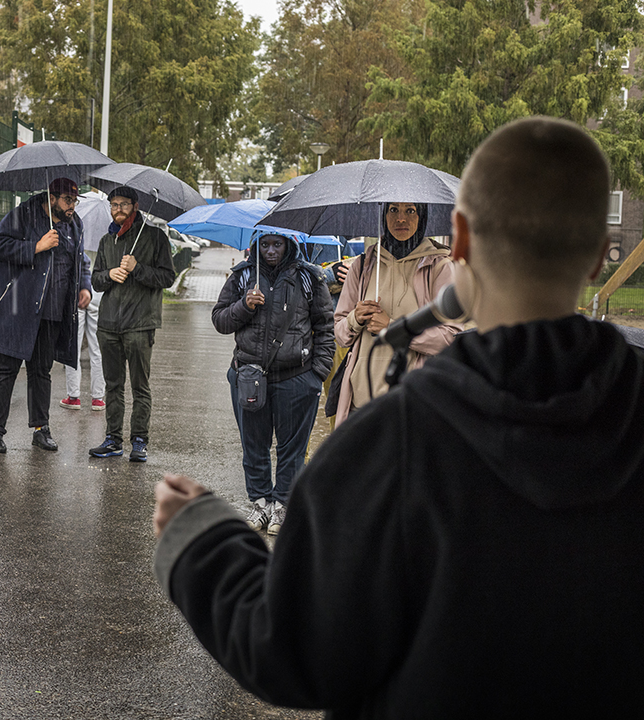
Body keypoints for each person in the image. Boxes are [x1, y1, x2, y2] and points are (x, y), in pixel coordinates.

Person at [151, 116, 644, 717]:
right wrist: (351, 325)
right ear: (599, 256)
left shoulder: (393, 441)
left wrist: (201, 540)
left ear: (457, 237)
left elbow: (296, 647)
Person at [211, 231, 333, 533]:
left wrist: (317, 373)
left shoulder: (309, 278)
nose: (270, 251)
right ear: (255, 246)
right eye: (264, 244)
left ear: (288, 244)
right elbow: (220, 320)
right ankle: (261, 502)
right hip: (249, 377)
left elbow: (325, 325)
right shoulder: (241, 276)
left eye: (276, 244)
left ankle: (282, 505)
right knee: (254, 445)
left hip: (297, 378)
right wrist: (245, 305)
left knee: (292, 448)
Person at [0, 177, 92, 454]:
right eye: (67, 200)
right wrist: (36, 247)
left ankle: (41, 429)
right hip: (18, 309)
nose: (72, 206)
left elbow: (81, 259)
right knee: (6, 371)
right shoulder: (22, 215)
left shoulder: (74, 224)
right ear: (51, 198)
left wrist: (84, 285)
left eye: (75, 201)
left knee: (41, 372)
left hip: (53, 311)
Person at [332, 201, 463, 423]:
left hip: (413, 404)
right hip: (362, 404)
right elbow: (340, 334)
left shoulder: (439, 266)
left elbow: (450, 338)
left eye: (410, 210)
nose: (400, 218)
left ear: (421, 216)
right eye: (393, 210)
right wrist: (355, 319)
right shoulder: (363, 265)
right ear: (383, 215)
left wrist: (392, 326)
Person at [87, 186, 176, 462]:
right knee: (113, 385)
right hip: (109, 324)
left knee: (140, 386)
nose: (118, 210)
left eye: (123, 204)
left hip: (140, 324)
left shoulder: (155, 237)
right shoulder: (106, 241)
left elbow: (167, 278)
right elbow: (95, 279)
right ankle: (113, 439)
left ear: (135, 206)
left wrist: (137, 268)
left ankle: (139, 440)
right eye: (113, 205)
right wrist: (110, 274)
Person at [60, 269, 106, 412]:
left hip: (78, 291)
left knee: (73, 346)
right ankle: (98, 398)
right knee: (97, 349)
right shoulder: (106, 245)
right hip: (99, 293)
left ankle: (73, 397)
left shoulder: (76, 245)